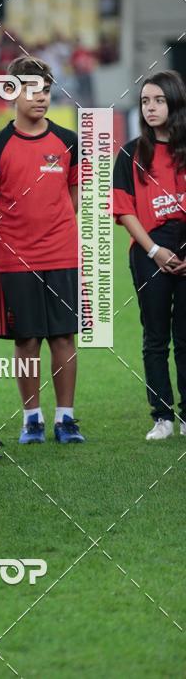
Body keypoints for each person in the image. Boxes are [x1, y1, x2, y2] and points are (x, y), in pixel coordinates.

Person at [0, 56, 85, 444]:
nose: (41, 97)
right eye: (32, 90)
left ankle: (66, 419)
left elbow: (72, 196)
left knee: (63, 338)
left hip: (62, 254)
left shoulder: (68, 141)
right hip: (15, 259)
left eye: (46, 90)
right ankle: (32, 420)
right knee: (26, 340)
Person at [113, 71, 186, 440]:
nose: (150, 107)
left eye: (159, 100)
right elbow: (124, 211)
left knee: (185, 337)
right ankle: (162, 417)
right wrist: (155, 251)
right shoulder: (130, 153)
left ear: (175, 103)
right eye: (145, 101)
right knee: (155, 337)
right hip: (148, 249)